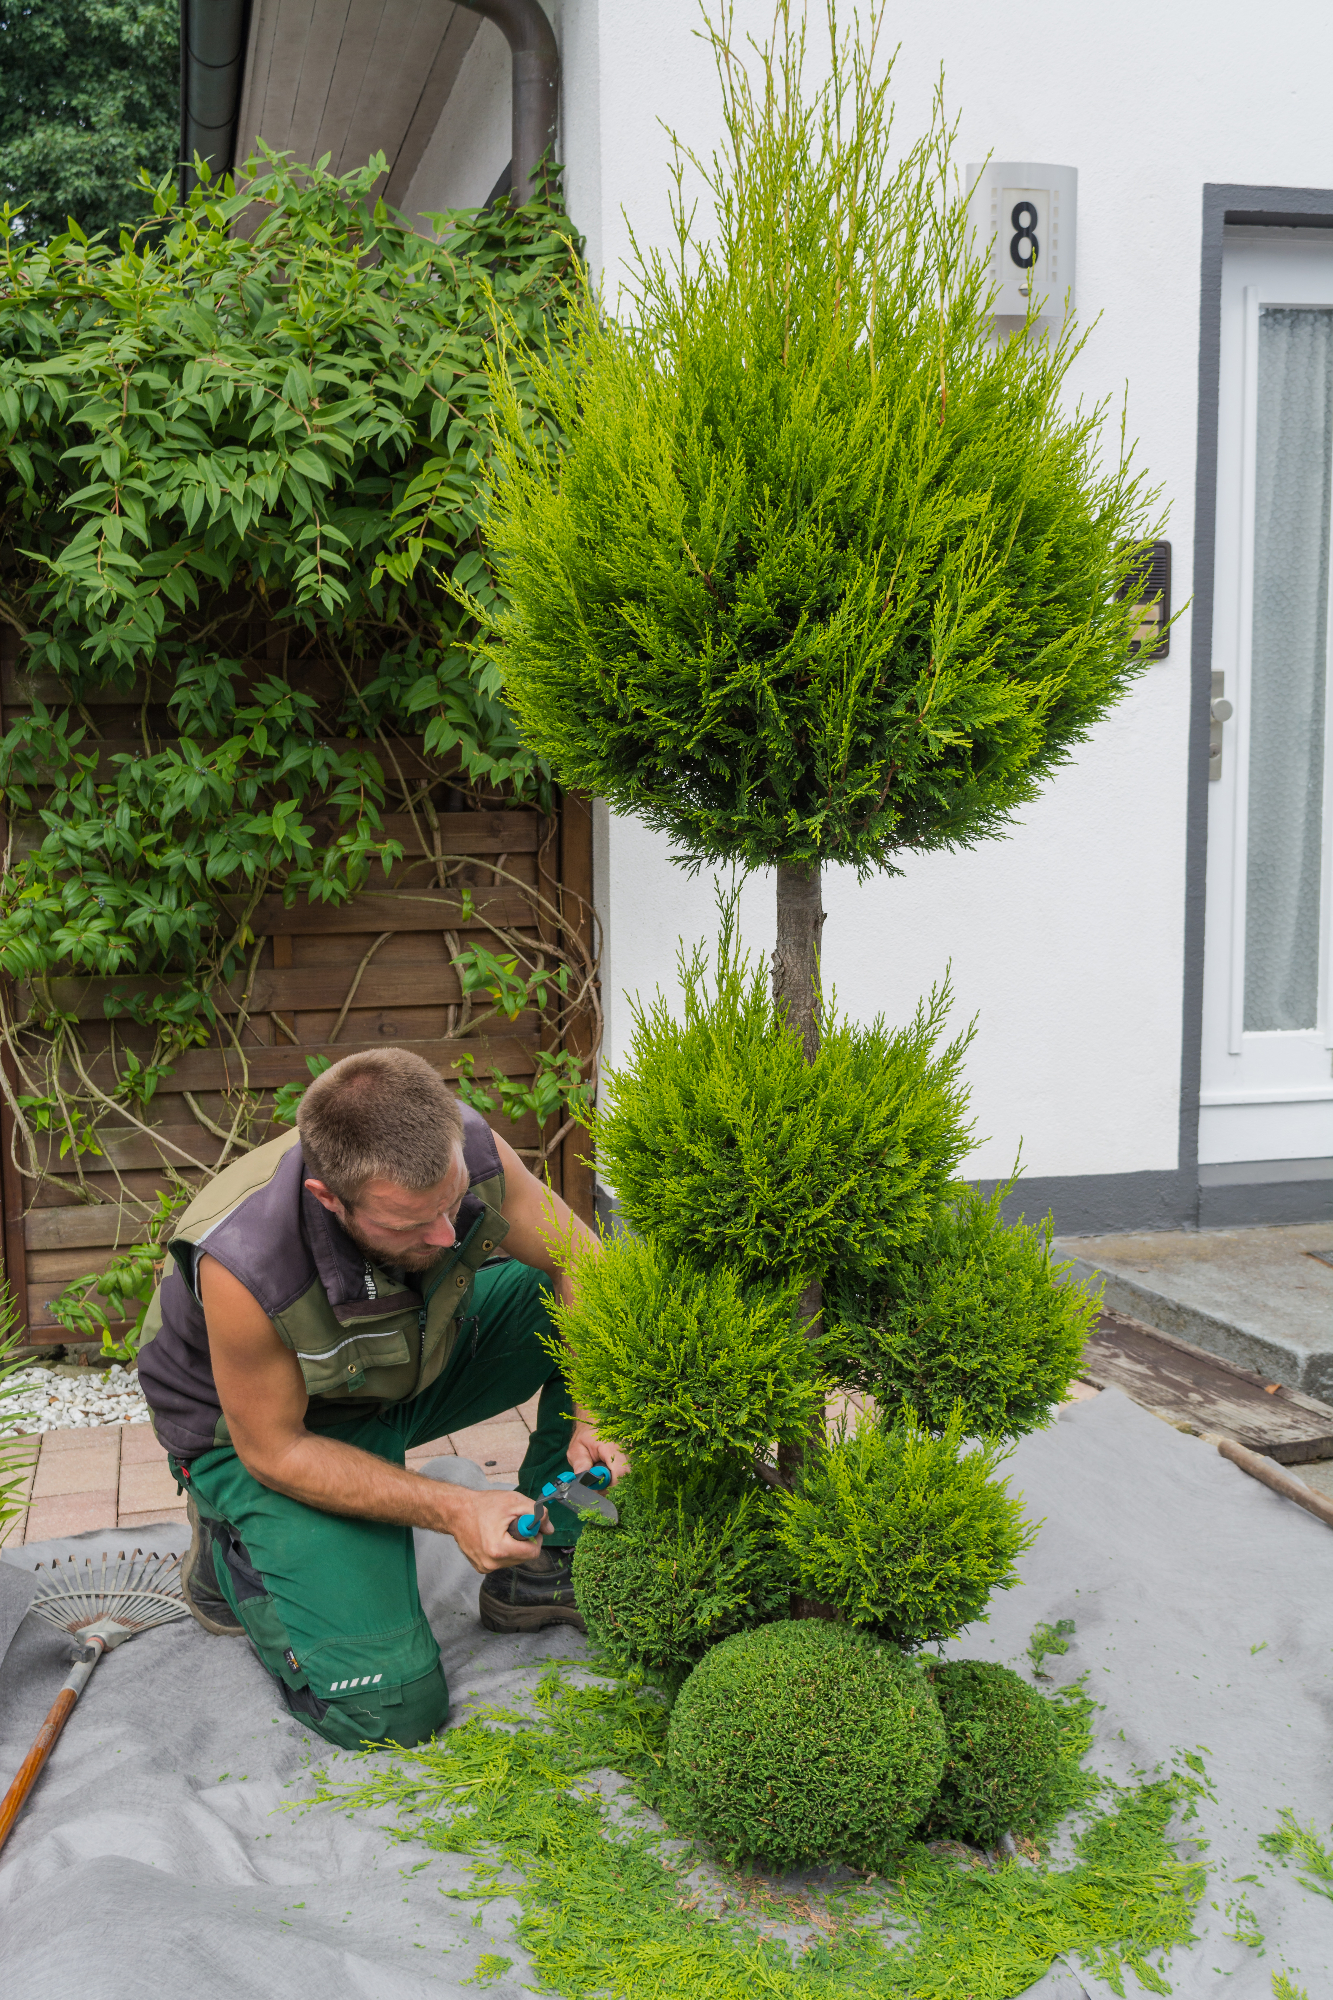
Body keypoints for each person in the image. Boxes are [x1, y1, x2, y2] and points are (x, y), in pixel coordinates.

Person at [136, 1047, 626, 1751]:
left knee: (598, 1294)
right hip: (274, 1436)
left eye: (452, 1204)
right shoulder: (244, 1261)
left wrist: (594, 1410)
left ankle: (547, 1566)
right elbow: (276, 1449)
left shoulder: (466, 1151)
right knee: (388, 1713)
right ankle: (231, 1553)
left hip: (405, 1359)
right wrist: (459, 1507)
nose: (448, 1236)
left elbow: (583, 1261)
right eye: (408, 1226)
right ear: (328, 1201)